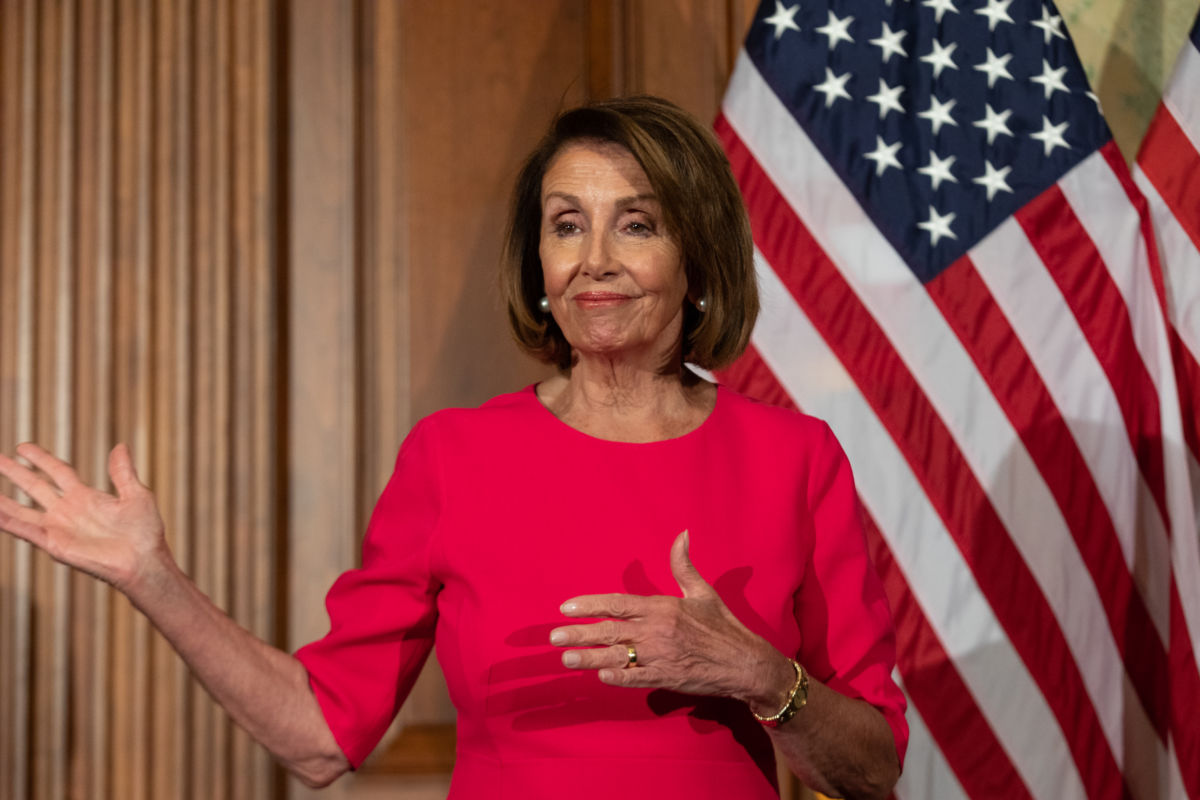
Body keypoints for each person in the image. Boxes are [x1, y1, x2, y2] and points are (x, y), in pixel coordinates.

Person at [0, 96, 906, 798]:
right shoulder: (453, 457)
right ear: (538, 266)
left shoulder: (796, 457)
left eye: (637, 222)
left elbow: (871, 770)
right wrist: (154, 578)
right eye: (565, 224)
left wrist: (756, 673)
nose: (594, 258)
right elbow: (320, 737)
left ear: (699, 259)